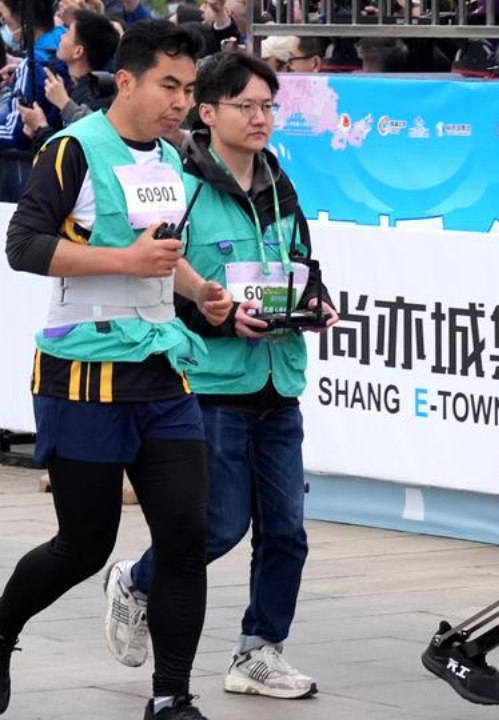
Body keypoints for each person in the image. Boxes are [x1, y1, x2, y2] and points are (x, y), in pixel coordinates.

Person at [0, 19, 226, 720]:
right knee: (83, 546)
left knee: (186, 535)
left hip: (162, 369)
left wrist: (199, 292)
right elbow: (24, 245)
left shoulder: (171, 158)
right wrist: (124, 263)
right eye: (169, 85)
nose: (180, 102)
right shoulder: (72, 150)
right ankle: (2, 629)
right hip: (84, 374)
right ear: (125, 80)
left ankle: (171, 697)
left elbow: (159, 251)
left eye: (188, 89)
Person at [103, 50, 337, 701]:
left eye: (268, 106)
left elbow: (299, 265)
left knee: (286, 531)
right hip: (212, 388)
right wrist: (220, 320)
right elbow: (157, 289)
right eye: (246, 106)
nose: (261, 118)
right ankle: (138, 581)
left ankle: (258, 652)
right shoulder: (183, 189)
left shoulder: (279, 183)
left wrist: (312, 305)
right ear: (207, 114)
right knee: (219, 526)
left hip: (278, 381)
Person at [19, 9, 120, 153]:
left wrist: (41, 127)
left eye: (67, 33)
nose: (61, 37)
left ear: (78, 51)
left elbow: (70, 153)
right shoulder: (73, 84)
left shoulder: (97, 96)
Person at [0, 0, 65, 201]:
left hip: (28, 172)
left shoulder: (33, 64)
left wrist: (24, 70)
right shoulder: (61, 40)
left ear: (25, 22)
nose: (5, 28)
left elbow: (17, 131)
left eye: (6, 20)